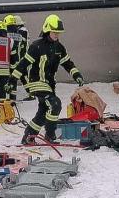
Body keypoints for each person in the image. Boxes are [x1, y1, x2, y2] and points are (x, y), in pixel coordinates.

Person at [11, 14, 84, 144]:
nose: (57, 35)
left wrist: (76, 75)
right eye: (54, 32)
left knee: (43, 111)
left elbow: (68, 64)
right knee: (55, 104)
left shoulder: (59, 48)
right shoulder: (36, 46)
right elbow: (23, 64)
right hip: (36, 82)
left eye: (58, 32)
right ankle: (50, 135)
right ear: (47, 29)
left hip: (49, 85)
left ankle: (28, 136)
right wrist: (12, 80)